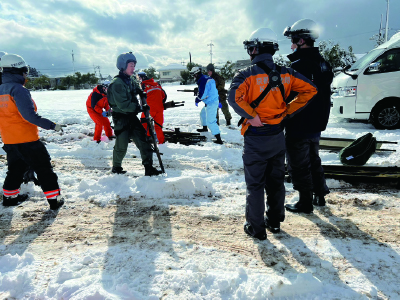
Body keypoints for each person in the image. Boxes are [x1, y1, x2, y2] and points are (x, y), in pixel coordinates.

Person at [228, 28, 317, 240]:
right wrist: (288, 110)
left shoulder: (245, 74)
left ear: (255, 49)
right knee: (276, 182)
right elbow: (310, 89)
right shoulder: (287, 73)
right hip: (278, 135)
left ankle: (256, 228)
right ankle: (274, 222)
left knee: (256, 184)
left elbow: (234, 98)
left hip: (256, 137)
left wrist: (251, 115)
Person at [0, 54, 65, 209]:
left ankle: (9, 198)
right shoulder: (18, 90)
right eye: (24, 71)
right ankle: (54, 200)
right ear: (17, 70)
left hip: (10, 140)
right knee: (44, 168)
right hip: (27, 140)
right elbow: (29, 115)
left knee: (15, 170)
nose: (25, 74)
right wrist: (52, 125)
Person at [282, 19, 334, 213]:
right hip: (317, 121)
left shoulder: (299, 65)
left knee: (298, 163)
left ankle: (305, 202)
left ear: (303, 40)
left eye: (294, 39)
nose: (292, 43)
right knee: (313, 159)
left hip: (299, 121)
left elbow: (289, 95)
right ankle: (319, 195)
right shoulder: (323, 63)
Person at [107, 52, 162, 176]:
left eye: (134, 65)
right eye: (131, 65)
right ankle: (116, 167)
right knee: (121, 145)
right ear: (123, 66)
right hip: (121, 118)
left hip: (131, 116)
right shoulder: (117, 83)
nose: (133, 68)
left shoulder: (130, 79)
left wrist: (140, 92)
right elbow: (123, 105)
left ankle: (149, 168)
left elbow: (136, 86)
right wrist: (140, 108)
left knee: (144, 141)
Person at [190, 66, 223, 145]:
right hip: (211, 101)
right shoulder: (206, 78)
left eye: (193, 75)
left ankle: (219, 139)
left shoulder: (203, 80)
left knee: (210, 121)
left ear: (196, 74)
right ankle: (205, 128)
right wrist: (218, 99)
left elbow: (203, 94)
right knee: (203, 114)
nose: (193, 77)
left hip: (211, 102)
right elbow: (213, 90)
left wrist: (197, 99)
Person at [137, 71, 166, 144]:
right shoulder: (156, 84)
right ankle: (161, 142)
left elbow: (141, 99)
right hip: (159, 109)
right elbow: (164, 96)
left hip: (149, 109)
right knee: (158, 127)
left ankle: (147, 140)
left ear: (141, 78)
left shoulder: (143, 86)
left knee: (144, 124)